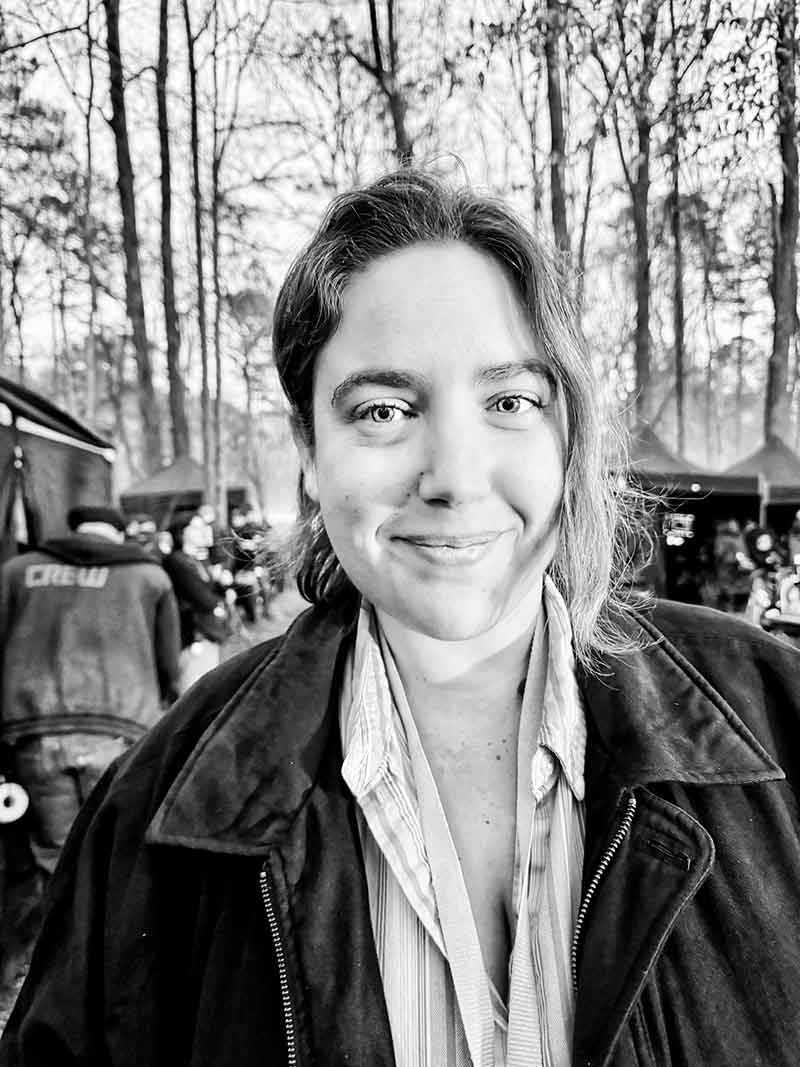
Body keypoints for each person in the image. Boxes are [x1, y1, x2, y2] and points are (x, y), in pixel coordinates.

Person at [3, 171, 800, 1067]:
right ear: (308, 448)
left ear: (566, 432)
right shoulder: (151, 815)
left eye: (509, 402)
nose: (454, 476)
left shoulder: (779, 720)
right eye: (384, 410)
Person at [0, 503, 180, 987]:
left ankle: (47, 981)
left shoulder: (16, 572)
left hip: (37, 734)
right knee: (119, 856)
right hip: (121, 733)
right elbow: (170, 668)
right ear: (117, 532)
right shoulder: (149, 577)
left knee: (51, 862)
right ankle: (116, 977)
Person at [161, 511, 230, 692]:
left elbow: (214, 593)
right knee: (194, 692)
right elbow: (204, 599)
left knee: (208, 690)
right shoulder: (175, 562)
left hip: (208, 632)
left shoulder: (199, 560)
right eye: (196, 527)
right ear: (181, 532)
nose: (202, 531)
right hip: (192, 635)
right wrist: (218, 601)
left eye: (204, 527)